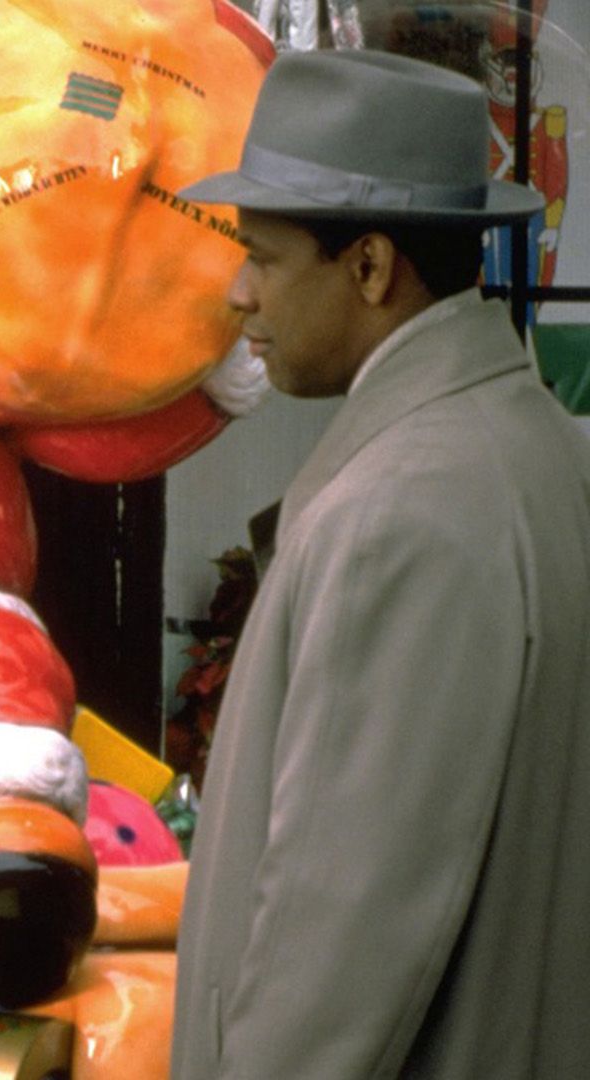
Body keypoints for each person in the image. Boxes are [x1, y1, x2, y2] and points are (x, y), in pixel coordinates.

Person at [171, 50, 590, 1078]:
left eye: (262, 257)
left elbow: (335, 963)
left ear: (367, 266)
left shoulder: (403, 512)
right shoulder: (524, 436)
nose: (237, 293)